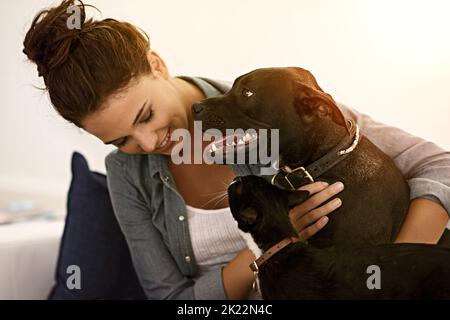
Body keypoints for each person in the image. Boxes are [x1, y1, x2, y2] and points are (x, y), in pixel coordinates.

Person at [23, 0, 450, 300]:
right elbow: (172, 297)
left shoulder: (275, 103)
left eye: (145, 115)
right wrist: (271, 243)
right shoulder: (125, 176)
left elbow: (439, 164)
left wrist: (397, 272)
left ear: (156, 64)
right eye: (121, 141)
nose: (150, 143)